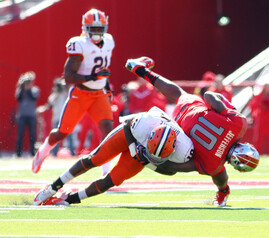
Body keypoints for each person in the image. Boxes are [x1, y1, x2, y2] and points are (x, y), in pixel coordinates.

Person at [125, 56, 260, 206]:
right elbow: (173, 167)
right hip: (176, 129)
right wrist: (149, 160)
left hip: (190, 108)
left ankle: (140, 70)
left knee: (178, 94)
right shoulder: (214, 166)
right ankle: (138, 147)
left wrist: (226, 109)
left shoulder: (239, 124)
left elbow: (209, 96)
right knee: (175, 161)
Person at [33, 106, 194, 206]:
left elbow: (171, 171)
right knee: (95, 159)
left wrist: (146, 161)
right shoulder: (145, 123)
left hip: (141, 154)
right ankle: (52, 187)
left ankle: (67, 200)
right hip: (130, 135)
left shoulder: (184, 151)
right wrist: (133, 149)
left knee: (110, 181)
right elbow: (127, 124)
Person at [32, 9, 114, 174]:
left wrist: (105, 85)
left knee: (107, 128)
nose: (97, 32)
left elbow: (102, 69)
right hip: (80, 94)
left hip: (99, 95)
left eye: (100, 28)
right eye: (94, 28)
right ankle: (43, 151)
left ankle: (106, 171)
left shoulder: (110, 41)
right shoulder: (79, 44)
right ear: (85, 27)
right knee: (62, 132)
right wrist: (93, 76)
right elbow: (69, 77)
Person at [37, 77, 76, 157]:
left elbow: (71, 99)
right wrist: (57, 92)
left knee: (69, 135)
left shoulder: (67, 92)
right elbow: (51, 101)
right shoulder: (55, 94)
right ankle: (54, 152)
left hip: (66, 116)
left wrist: (65, 89)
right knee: (56, 136)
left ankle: (72, 151)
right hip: (57, 117)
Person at [249, 84, 269, 155]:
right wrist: (260, 106)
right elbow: (252, 105)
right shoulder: (259, 96)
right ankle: (256, 153)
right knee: (258, 137)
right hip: (261, 118)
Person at [15, 71, 40, 157]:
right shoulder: (20, 90)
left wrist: (28, 88)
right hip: (22, 115)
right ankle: (18, 153)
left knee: (32, 135)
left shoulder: (35, 89)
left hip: (31, 115)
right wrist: (21, 87)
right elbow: (18, 98)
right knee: (20, 134)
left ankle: (32, 152)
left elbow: (34, 97)